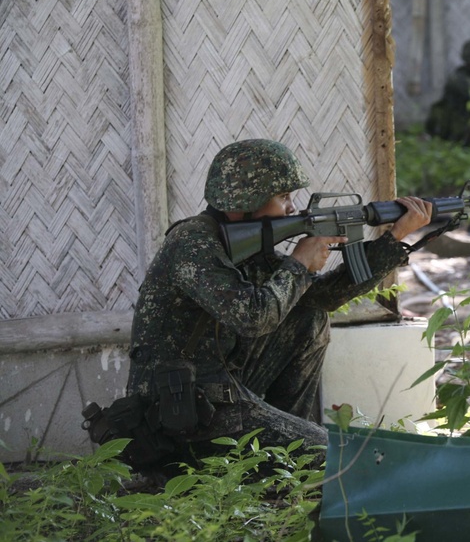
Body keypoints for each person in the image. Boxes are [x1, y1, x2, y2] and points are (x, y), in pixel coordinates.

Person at [122, 139, 433, 468]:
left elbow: (323, 297)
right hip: (180, 413)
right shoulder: (193, 245)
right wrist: (299, 262)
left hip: (220, 390)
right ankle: (279, 453)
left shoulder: (244, 244)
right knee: (335, 457)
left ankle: (286, 437)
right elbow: (254, 318)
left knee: (308, 316)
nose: (291, 207)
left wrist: (393, 238)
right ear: (246, 201)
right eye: (283, 196)